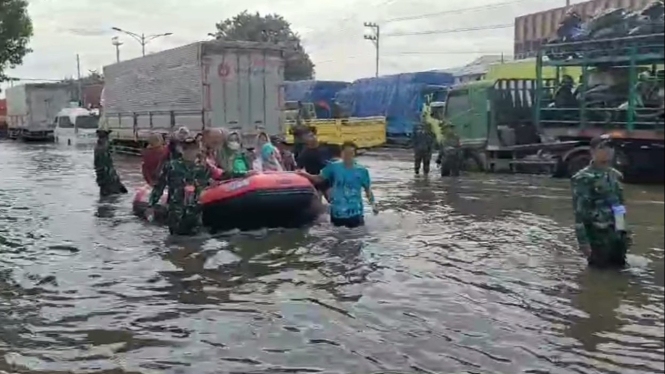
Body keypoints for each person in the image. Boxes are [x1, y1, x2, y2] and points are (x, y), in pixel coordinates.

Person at [571, 135, 630, 269]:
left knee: (620, 273)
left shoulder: (615, 175)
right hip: (597, 238)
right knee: (598, 273)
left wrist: (622, 231)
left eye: (610, 147)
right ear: (592, 151)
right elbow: (580, 213)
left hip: (616, 237)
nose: (608, 151)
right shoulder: (583, 178)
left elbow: (619, 205)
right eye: (602, 147)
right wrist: (584, 243)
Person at [297, 141, 378, 228]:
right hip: (337, 211)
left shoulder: (362, 171)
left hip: (355, 210)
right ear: (341, 154)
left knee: (357, 236)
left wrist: (373, 204)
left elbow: (367, 190)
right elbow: (319, 179)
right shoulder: (333, 167)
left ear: (354, 154)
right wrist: (304, 174)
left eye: (350, 153)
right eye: (346, 153)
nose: (348, 156)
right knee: (337, 236)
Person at [147, 137, 212, 235]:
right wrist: (151, 205)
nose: (190, 152)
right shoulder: (171, 166)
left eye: (193, 149)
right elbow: (159, 186)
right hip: (176, 211)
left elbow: (207, 188)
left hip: (195, 211)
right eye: (187, 149)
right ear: (182, 150)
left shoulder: (202, 168)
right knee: (175, 240)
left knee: (197, 241)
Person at [94, 129, 128, 196]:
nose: (109, 141)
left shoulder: (100, 147)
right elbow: (103, 166)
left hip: (107, 179)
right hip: (108, 180)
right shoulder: (102, 149)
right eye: (108, 138)